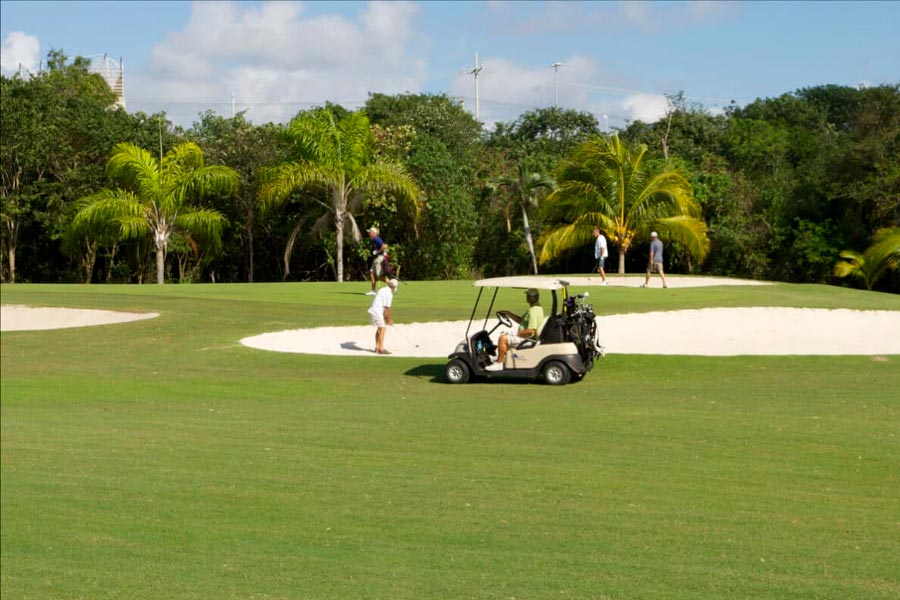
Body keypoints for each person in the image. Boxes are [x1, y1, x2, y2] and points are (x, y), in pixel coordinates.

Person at [485, 288, 545, 371]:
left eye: (527, 295)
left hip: (527, 338)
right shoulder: (536, 308)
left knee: (502, 338)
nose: (526, 297)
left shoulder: (533, 311)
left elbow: (531, 331)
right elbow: (521, 320)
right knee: (505, 334)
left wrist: (517, 334)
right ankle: (501, 358)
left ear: (532, 297)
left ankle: (499, 363)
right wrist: (508, 313)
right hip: (525, 335)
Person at [368, 274, 399, 354]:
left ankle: (377, 347)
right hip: (377, 311)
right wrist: (388, 320)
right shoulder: (389, 294)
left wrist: (387, 319)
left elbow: (385, 309)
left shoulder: (382, 289)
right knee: (383, 328)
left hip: (373, 310)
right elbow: (387, 309)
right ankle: (381, 349)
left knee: (379, 328)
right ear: (394, 287)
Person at [366, 227, 387, 295]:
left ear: (373, 233)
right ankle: (373, 290)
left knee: (379, 276)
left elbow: (384, 246)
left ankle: (392, 284)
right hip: (376, 258)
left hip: (379, 258)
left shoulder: (376, 238)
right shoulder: (374, 239)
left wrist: (378, 251)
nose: (369, 233)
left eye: (370, 232)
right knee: (371, 272)